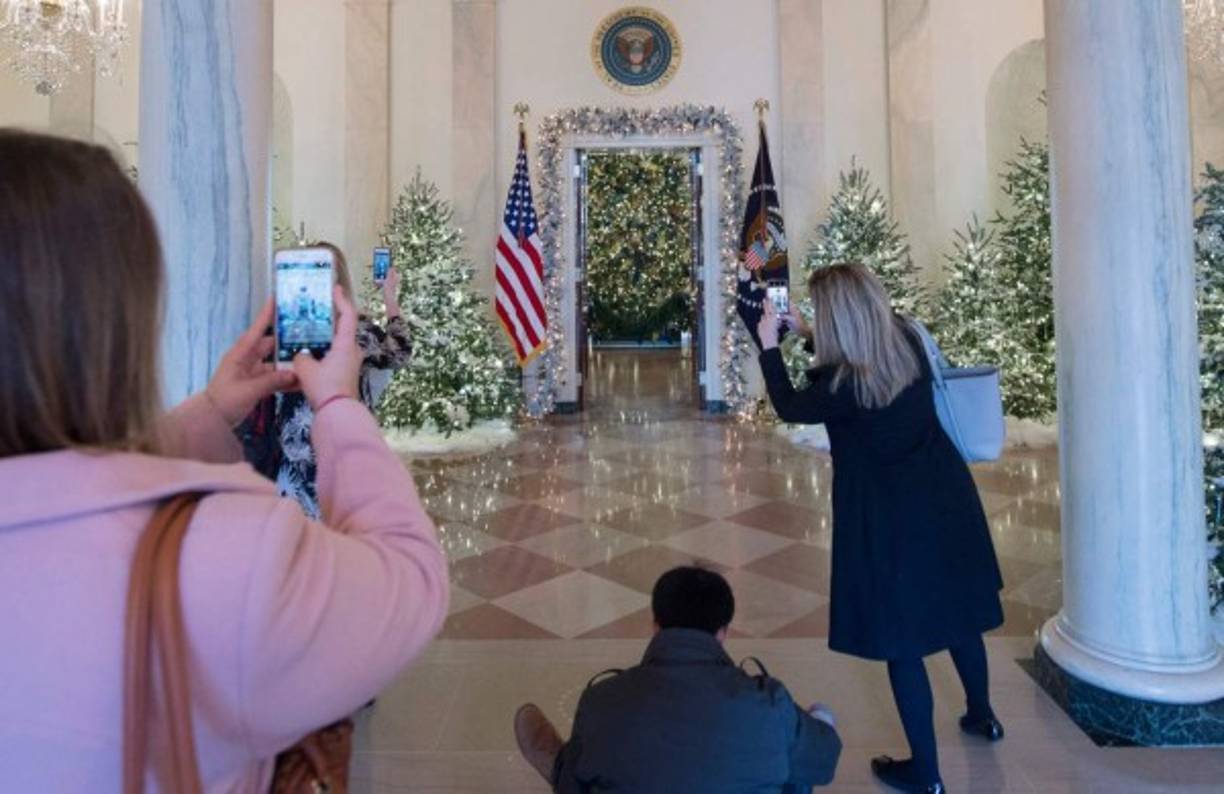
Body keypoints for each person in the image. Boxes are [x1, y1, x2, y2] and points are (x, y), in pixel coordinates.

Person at [0, 130, 449, 791]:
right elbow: (409, 580)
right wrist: (339, 409)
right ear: (118, 318)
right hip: (302, 495)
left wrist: (210, 412)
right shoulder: (226, 557)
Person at [755, 263, 1006, 794]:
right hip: (945, 498)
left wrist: (769, 346)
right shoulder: (908, 338)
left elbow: (791, 405)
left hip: (887, 517)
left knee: (902, 642)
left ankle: (927, 775)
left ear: (838, 320)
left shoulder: (841, 385)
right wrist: (805, 333)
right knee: (959, 614)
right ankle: (982, 715)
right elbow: (853, 351)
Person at [513, 566, 842, 793]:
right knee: (799, 748)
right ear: (722, 633)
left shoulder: (602, 699)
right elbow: (824, 766)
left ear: (655, 625)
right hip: (769, 736)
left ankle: (556, 761)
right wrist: (818, 721)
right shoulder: (768, 703)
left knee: (578, 766)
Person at [239, 240, 413, 518]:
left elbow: (400, 353)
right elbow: (401, 350)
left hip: (293, 475)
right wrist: (390, 298)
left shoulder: (284, 333)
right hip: (336, 466)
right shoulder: (357, 331)